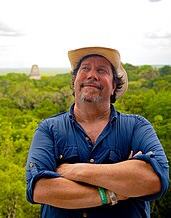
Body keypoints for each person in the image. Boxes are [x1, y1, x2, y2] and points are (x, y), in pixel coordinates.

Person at [25, 46, 169, 218]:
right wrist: (114, 192)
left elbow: (155, 180)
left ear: (114, 85)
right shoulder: (49, 129)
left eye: (102, 70)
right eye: (85, 68)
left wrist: (75, 171)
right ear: (75, 80)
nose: (92, 75)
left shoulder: (137, 126)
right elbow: (40, 190)